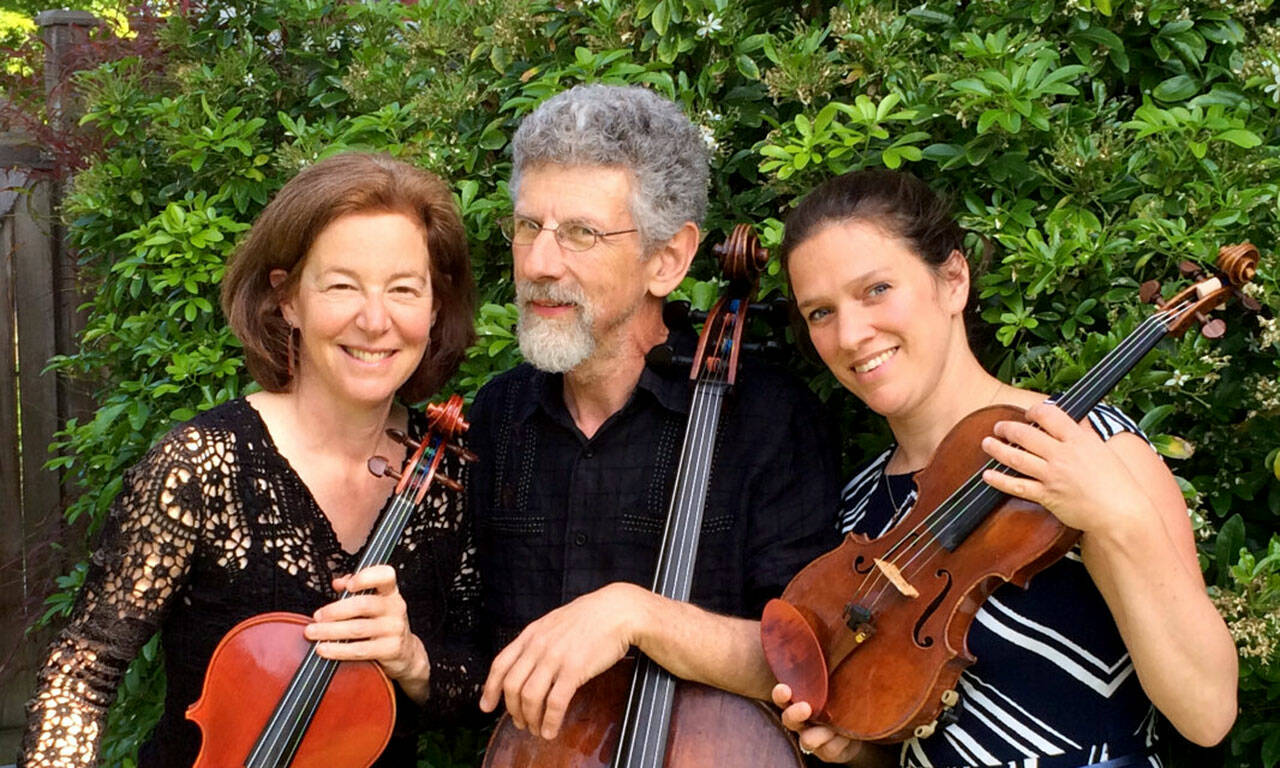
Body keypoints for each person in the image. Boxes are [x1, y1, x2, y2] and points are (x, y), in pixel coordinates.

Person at [21, 152, 480, 768]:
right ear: (287, 299)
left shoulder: (449, 483)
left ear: (433, 308)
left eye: (403, 289)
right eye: (342, 285)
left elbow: (480, 690)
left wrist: (414, 662)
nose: (375, 320)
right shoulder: (202, 466)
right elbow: (83, 671)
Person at [770, 169, 1239, 768]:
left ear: (953, 280)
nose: (852, 334)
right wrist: (860, 748)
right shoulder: (863, 505)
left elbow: (1206, 714)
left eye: (877, 289)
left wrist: (1117, 517)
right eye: (820, 312)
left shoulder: (1085, 446)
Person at [468, 83, 842, 741]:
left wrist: (634, 615)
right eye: (528, 226)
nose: (539, 262)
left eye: (581, 233)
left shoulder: (765, 421)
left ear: (667, 259)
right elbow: (466, 653)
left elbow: (816, 659)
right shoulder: (499, 416)